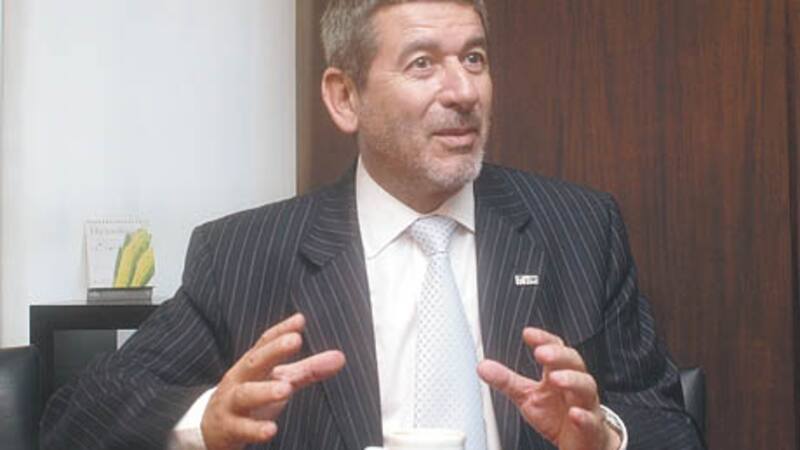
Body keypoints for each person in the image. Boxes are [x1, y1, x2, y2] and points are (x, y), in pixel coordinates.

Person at [41, 1, 704, 449]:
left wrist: (605, 436)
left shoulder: (580, 230)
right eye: (423, 63)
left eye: (474, 58)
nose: (463, 91)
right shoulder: (245, 254)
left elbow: (672, 428)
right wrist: (205, 422)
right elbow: (78, 417)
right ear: (345, 97)